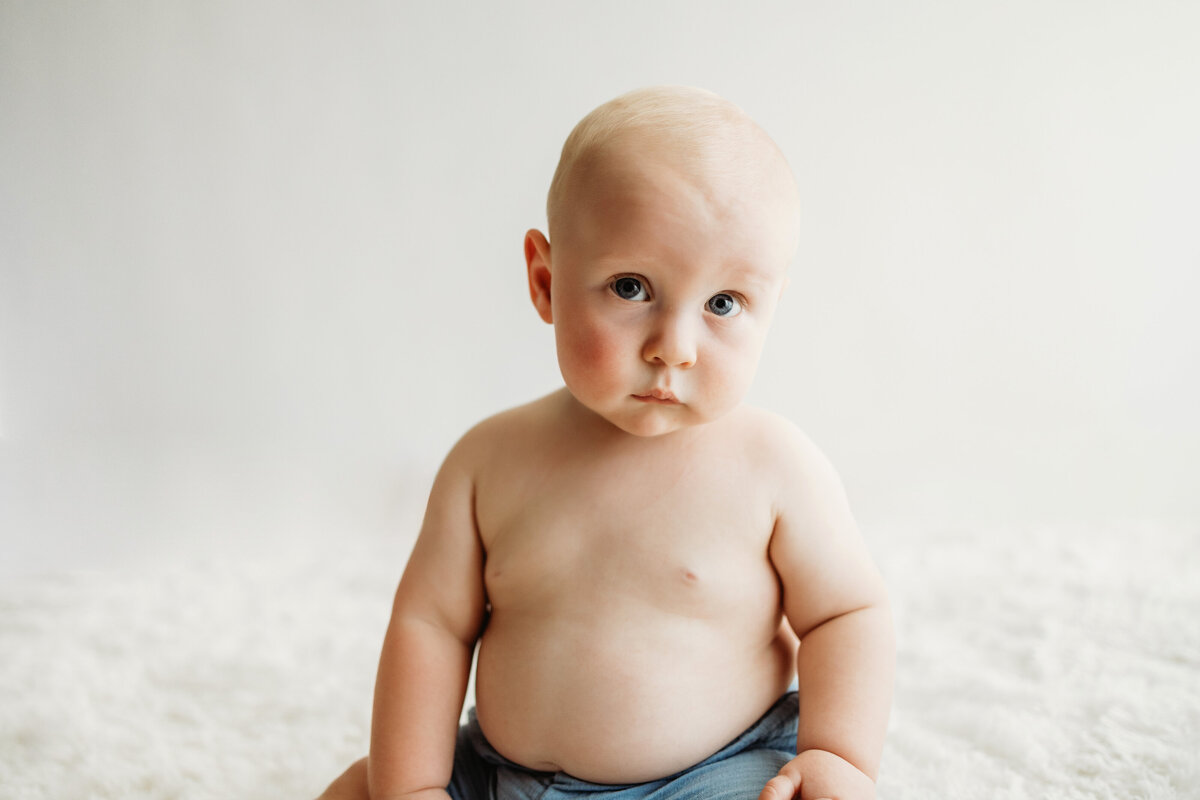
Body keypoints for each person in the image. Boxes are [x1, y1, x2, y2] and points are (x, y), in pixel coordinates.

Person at [317, 85, 893, 800]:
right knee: (356, 791)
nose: (673, 348)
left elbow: (848, 612)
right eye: (630, 287)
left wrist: (838, 757)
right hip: (504, 775)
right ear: (546, 281)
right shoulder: (487, 462)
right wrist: (414, 788)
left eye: (723, 304)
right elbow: (429, 626)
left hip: (714, 775)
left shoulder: (773, 466)